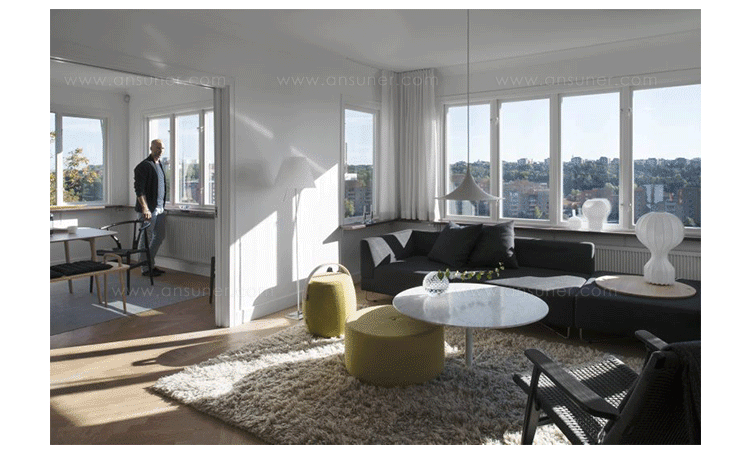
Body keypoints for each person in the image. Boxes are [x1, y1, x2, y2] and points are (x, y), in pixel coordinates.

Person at [134, 139, 168, 277]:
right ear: (151, 148)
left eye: (162, 148)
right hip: (148, 210)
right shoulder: (143, 166)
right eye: (157, 148)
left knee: (160, 236)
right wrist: (145, 208)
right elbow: (139, 190)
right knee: (146, 238)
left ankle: (149, 263)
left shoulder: (160, 165)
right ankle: (145, 268)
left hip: (160, 209)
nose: (160, 151)